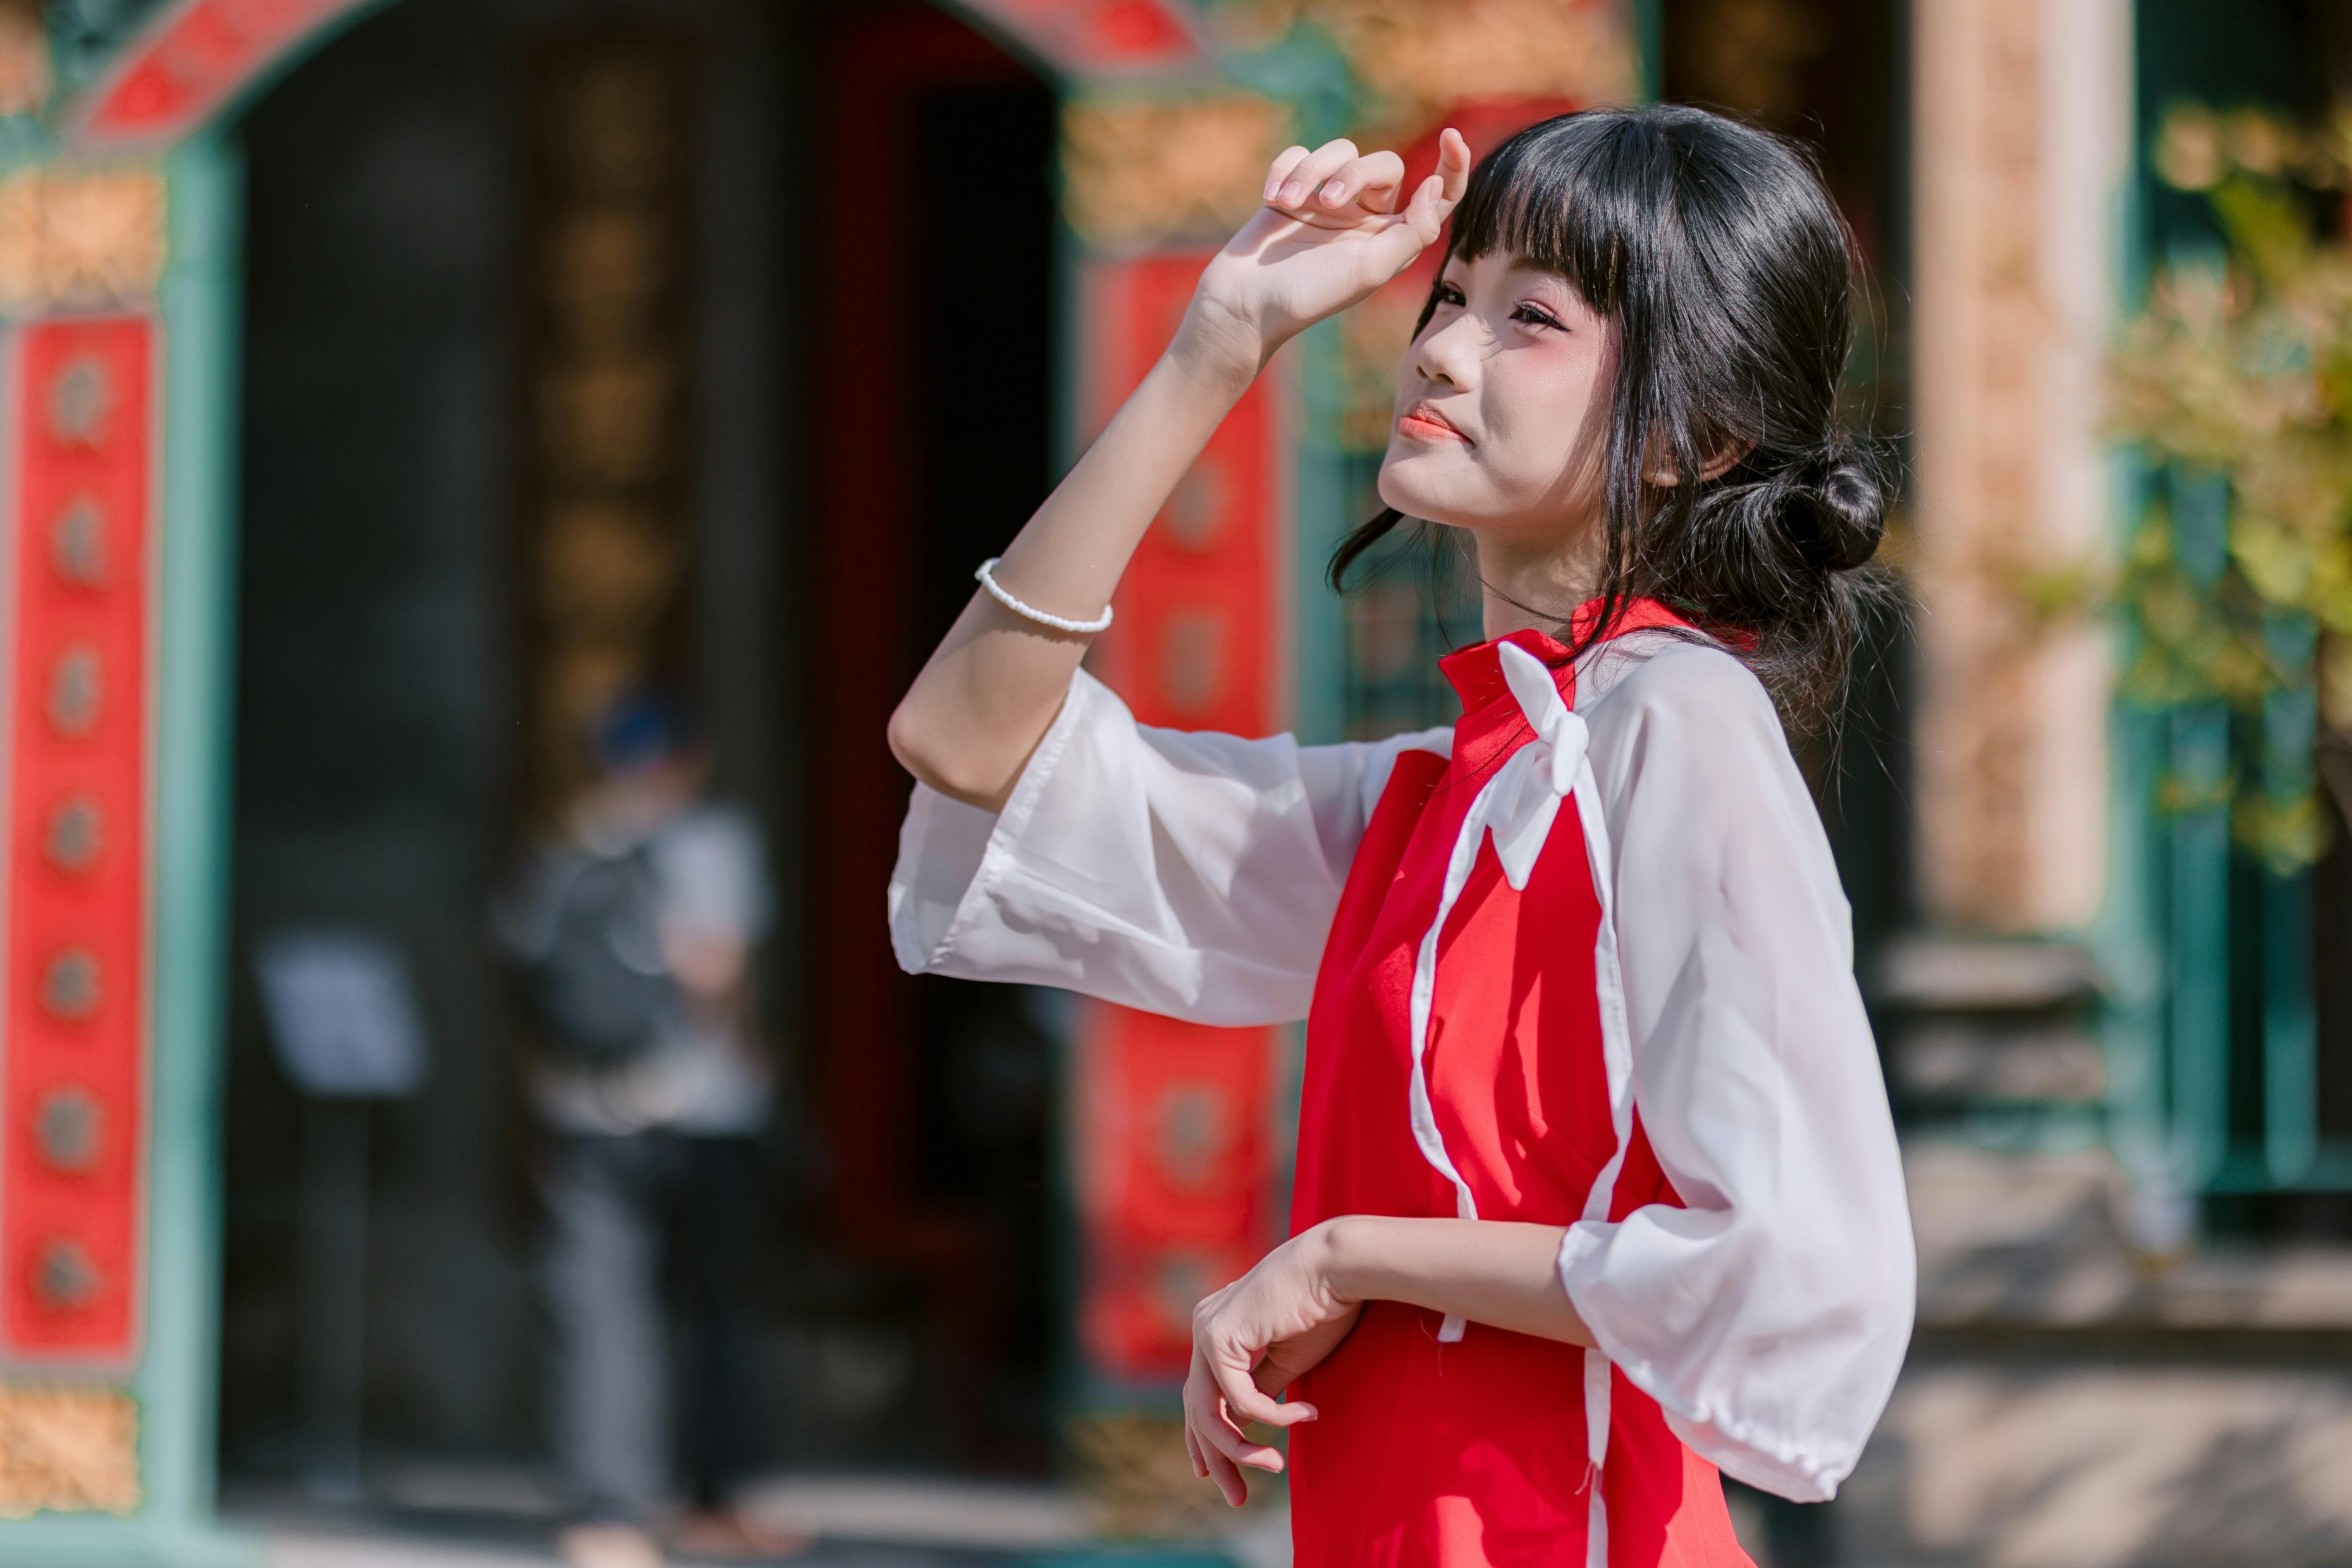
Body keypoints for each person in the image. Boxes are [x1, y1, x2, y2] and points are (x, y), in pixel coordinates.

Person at [884, 105, 1914, 1566]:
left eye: (1528, 317)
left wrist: (1345, 1251)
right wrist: (1219, 344)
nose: (1437, 347)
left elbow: (1788, 1264)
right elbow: (966, 745)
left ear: (1700, 436)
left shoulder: (1678, 723)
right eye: (1451, 295)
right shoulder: (1434, 797)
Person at [497, 691, 806, 1568]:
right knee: (718, 1310)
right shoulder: (708, 841)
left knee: (601, 1316)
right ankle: (717, 1497)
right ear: (691, 758)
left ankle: (608, 1516)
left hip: (586, 1109)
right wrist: (755, 1058)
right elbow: (714, 966)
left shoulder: (562, 843)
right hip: (703, 1109)